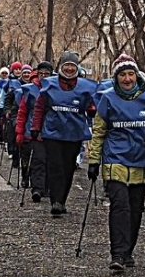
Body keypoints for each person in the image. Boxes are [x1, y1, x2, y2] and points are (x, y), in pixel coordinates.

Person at [85, 54, 145, 272]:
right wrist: (93, 161)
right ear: (116, 77)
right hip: (115, 160)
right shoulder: (107, 99)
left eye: (130, 74)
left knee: (136, 208)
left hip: (141, 161)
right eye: (122, 74)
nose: (127, 79)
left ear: (136, 75)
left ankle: (128, 251)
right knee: (120, 206)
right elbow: (99, 132)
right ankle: (117, 253)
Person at [26, 50, 98, 216]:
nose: (69, 69)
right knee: (55, 166)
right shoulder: (49, 84)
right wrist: (35, 128)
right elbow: (39, 107)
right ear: (61, 67)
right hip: (53, 133)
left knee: (68, 167)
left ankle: (62, 200)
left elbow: (91, 106)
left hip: (73, 134)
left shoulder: (85, 87)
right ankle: (56, 201)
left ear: (77, 68)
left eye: (73, 66)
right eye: (67, 66)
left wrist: (92, 110)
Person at [14, 61, 54, 203]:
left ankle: (48, 188)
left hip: (52, 133)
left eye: (46, 74)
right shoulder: (30, 90)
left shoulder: (56, 88)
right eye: (41, 73)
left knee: (50, 161)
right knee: (38, 160)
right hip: (34, 132)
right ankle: (36, 188)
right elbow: (22, 112)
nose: (43, 76)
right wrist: (19, 132)